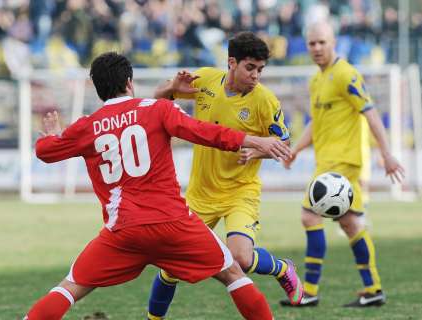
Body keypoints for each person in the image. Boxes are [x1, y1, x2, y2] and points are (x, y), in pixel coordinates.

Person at [23, 52, 293, 320]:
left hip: (123, 232)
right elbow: (205, 132)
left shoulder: (87, 126)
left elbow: (46, 152)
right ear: (129, 82)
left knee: (70, 288)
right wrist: (256, 141)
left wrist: (52, 136)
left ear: (97, 88)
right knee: (232, 273)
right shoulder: (158, 109)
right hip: (173, 223)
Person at [147, 31, 303, 320]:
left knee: (241, 258)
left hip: (240, 191)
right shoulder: (205, 79)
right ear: (231, 62)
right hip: (200, 193)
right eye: (250, 67)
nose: (256, 75)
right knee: (170, 268)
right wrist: (171, 87)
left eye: (260, 69)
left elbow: (284, 145)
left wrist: (258, 152)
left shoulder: (265, 101)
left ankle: (282, 268)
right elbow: (157, 102)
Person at [278, 21, 405, 307]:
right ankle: (372, 290)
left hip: (344, 164)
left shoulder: (347, 74)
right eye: (312, 43)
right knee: (350, 223)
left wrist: (387, 153)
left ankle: (309, 291)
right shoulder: (315, 80)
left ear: (333, 41)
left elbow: (371, 114)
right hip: (326, 163)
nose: (317, 48)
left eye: (322, 42)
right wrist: (296, 149)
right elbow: (315, 123)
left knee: (310, 216)